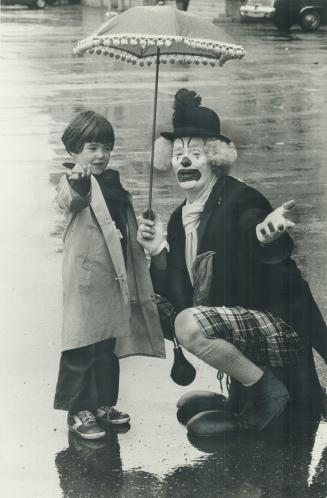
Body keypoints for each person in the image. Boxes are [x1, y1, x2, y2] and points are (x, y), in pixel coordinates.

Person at [137, 89, 327, 436]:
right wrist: (157, 250)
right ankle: (241, 391)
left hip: (280, 328)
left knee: (190, 325)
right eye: (178, 153)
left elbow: (256, 231)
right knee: (144, 302)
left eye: (194, 153)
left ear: (215, 159)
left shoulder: (240, 198)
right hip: (236, 322)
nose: (183, 161)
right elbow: (181, 297)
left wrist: (265, 235)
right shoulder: (181, 218)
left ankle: (264, 391)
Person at [54, 110, 165, 440]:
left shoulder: (114, 182)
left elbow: (118, 221)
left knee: (107, 343)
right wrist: (78, 184)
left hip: (113, 273)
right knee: (81, 343)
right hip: (87, 275)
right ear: (74, 151)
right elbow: (71, 200)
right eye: (92, 147)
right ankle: (78, 409)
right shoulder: (74, 180)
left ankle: (103, 403)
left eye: (106, 147)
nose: (100, 155)